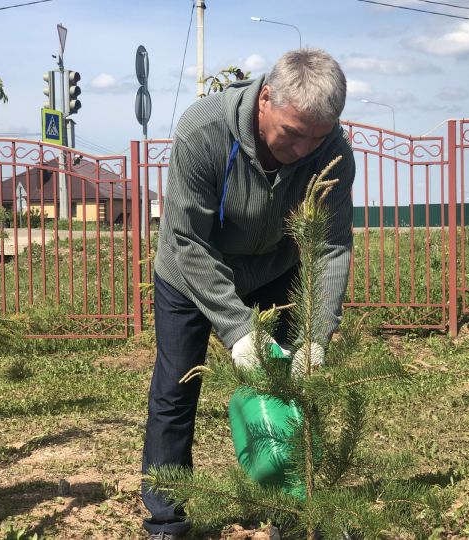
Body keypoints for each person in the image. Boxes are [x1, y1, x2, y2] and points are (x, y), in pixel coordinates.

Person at [141, 48, 355, 539]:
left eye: (316, 138)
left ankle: (292, 513)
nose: (303, 151)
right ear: (264, 100)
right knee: (175, 391)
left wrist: (316, 335)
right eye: (293, 134)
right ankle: (167, 520)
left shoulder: (334, 153)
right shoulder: (202, 132)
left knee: (290, 390)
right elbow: (188, 239)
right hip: (188, 270)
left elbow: (330, 246)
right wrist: (239, 331)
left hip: (276, 271)